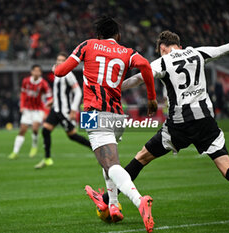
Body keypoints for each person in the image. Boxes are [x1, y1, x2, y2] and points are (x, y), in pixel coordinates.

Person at [94, 15, 229, 226]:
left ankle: (108, 199)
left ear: (162, 47)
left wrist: (112, 88)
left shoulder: (162, 61)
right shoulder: (198, 53)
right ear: (179, 45)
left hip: (179, 124)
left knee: (141, 158)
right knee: (226, 167)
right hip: (206, 122)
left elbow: (138, 79)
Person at [53, 16, 158, 233]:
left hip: (94, 113)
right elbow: (146, 65)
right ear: (117, 35)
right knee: (107, 160)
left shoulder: (88, 45)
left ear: (98, 35)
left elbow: (60, 72)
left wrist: (58, 66)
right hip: (118, 115)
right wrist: (151, 97)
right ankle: (112, 205)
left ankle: (139, 201)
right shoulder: (127, 52)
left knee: (110, 163)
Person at [34, 52, 91, 169]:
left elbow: (78, 92)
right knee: (45, 130)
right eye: (58, 60)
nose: (59, 62)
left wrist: (74, 109)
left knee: (72, 136)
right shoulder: (56, 73)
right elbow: (60, 92)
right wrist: (53, 101)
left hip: (64, 111)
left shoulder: (68, 75)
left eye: (62, 60)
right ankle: (47, 158)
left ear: (66, 62)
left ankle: (94, 148)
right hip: (55, 110)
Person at [8, 65, 52, 160]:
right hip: (27, 109)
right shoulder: (26, 81)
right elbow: (23, 94)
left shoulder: (44, 84)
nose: (36, 72)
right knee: (22, 130)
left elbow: (49, 98)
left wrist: (46, 112)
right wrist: (22, 106)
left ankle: (34, 146)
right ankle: (15, 152)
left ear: (40, 73)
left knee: (35, 128)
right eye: (34, 71)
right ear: (31, 72)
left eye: (38, 71)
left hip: (38, 110)